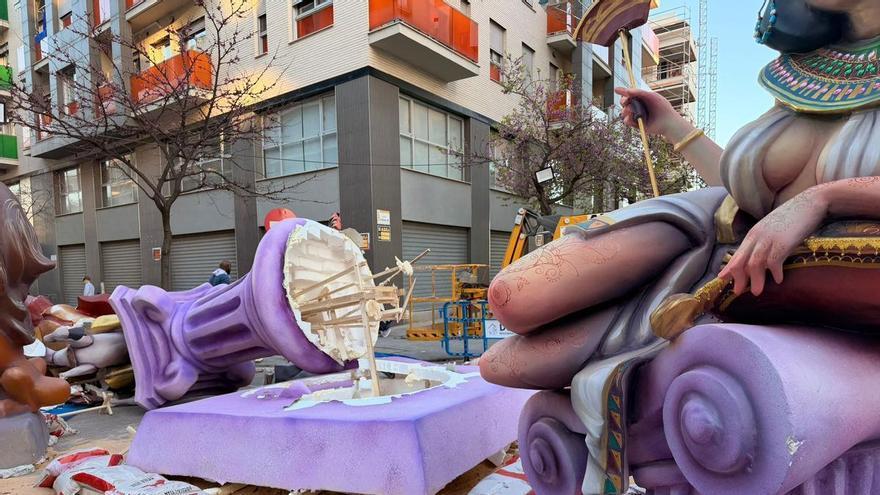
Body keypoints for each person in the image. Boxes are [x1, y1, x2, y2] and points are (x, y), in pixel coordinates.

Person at [479, 1, 880, 493]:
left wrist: (825, 199)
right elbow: (748, 188)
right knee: (514, 299)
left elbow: (802, 198)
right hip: (717, 225)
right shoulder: (809, 66)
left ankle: (603, 409)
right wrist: (670, 125)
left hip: (804, 272)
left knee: (516, 362)